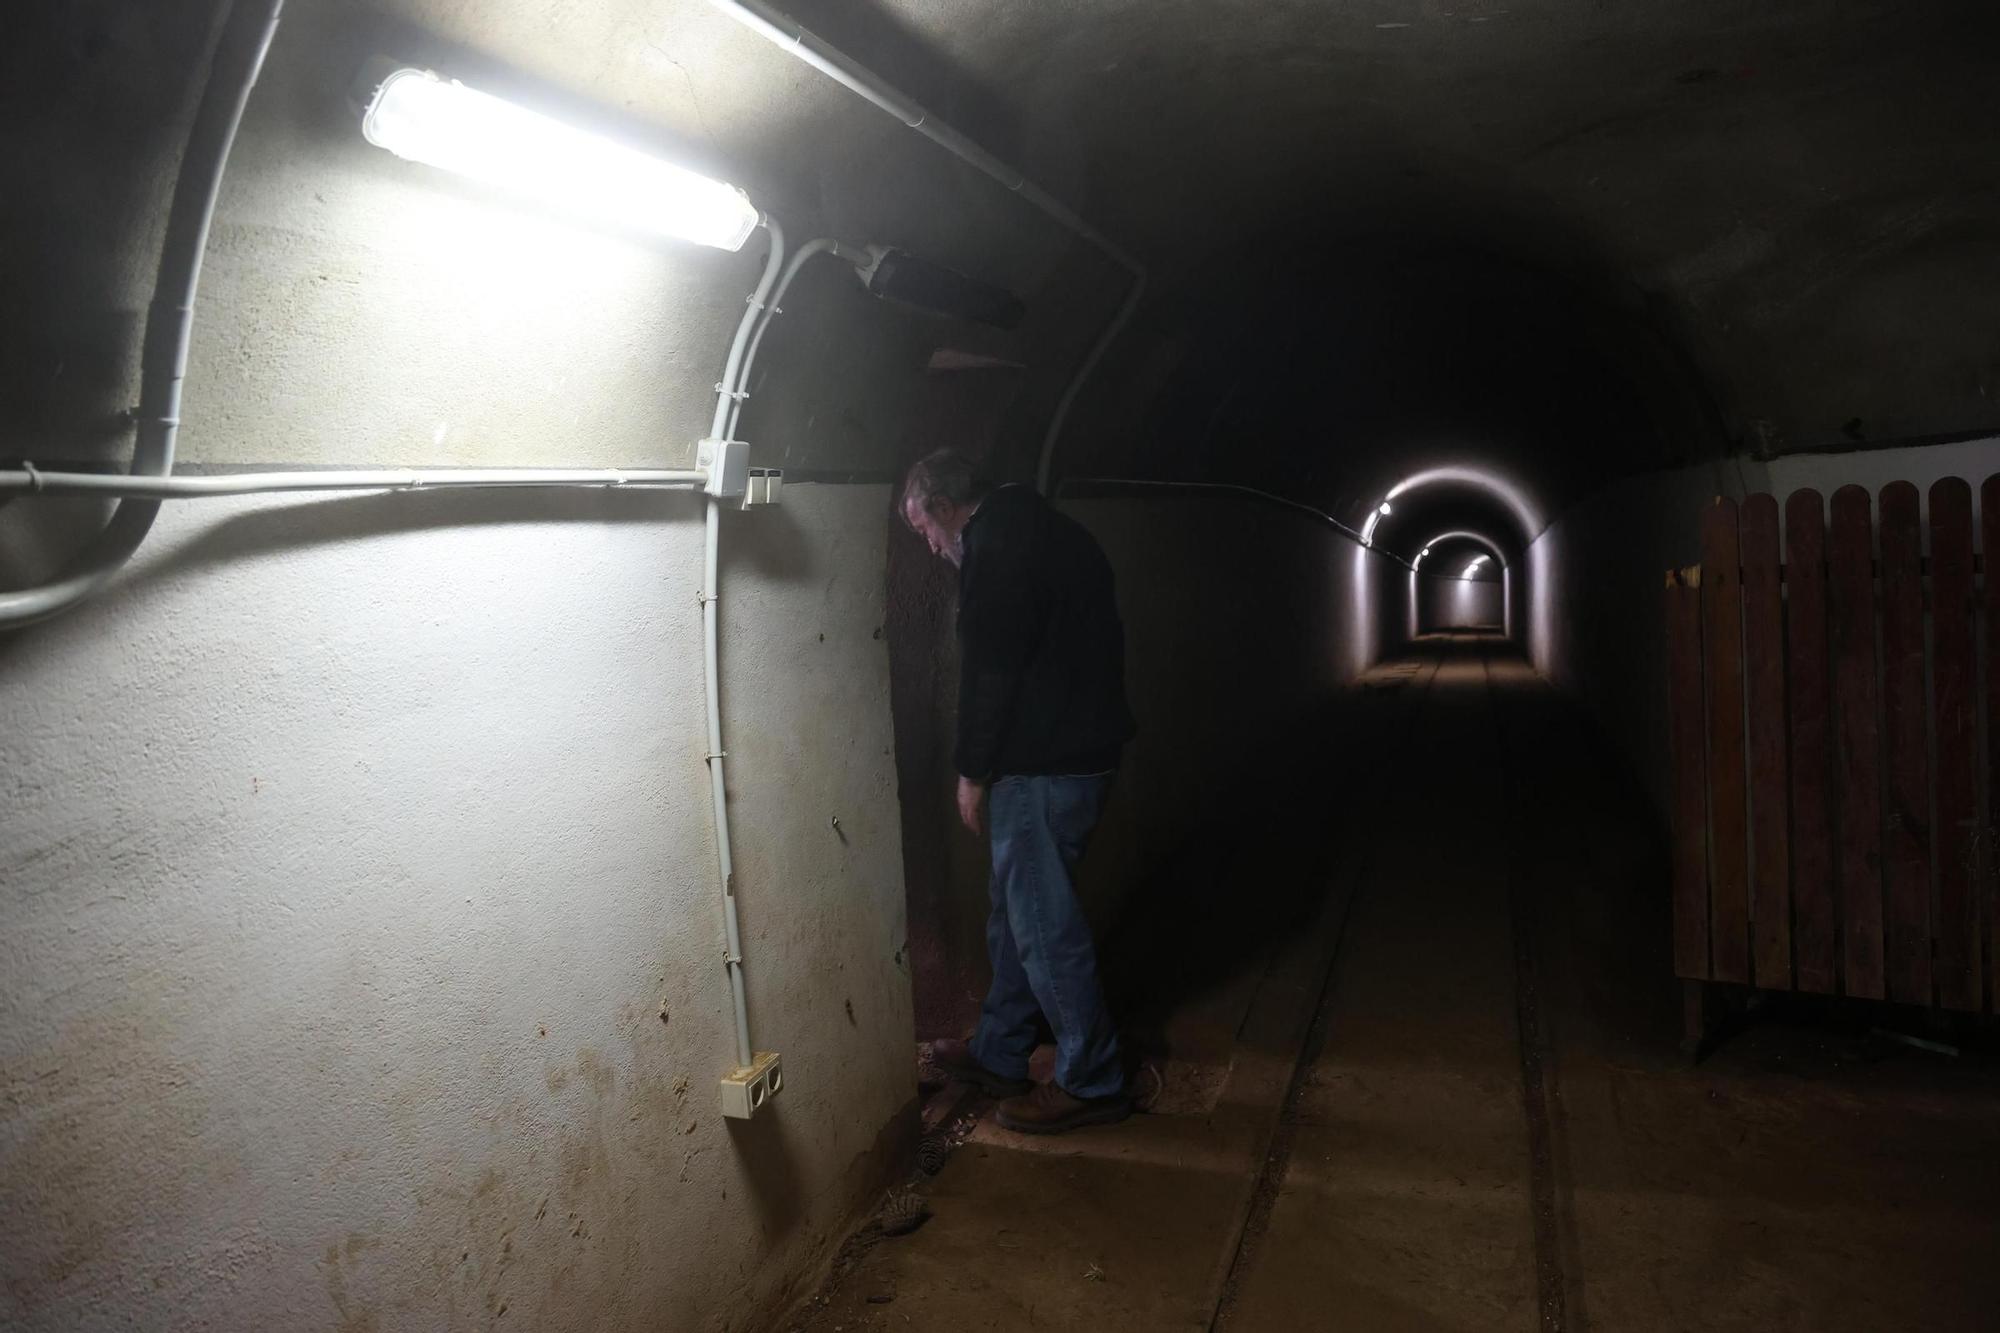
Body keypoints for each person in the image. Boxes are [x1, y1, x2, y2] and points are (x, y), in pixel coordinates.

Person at [899, 449, 1136, 1134]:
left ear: (944, 507)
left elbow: (990, 672)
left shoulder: (995, 548)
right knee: (1015, 911)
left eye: (924, 529)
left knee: (1041, 925)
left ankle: (1091, 1078)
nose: (931, 545)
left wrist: (971, 772)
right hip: (1073, 754)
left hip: (1045, 765)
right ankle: (1002, 1049)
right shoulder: (1046, 527)